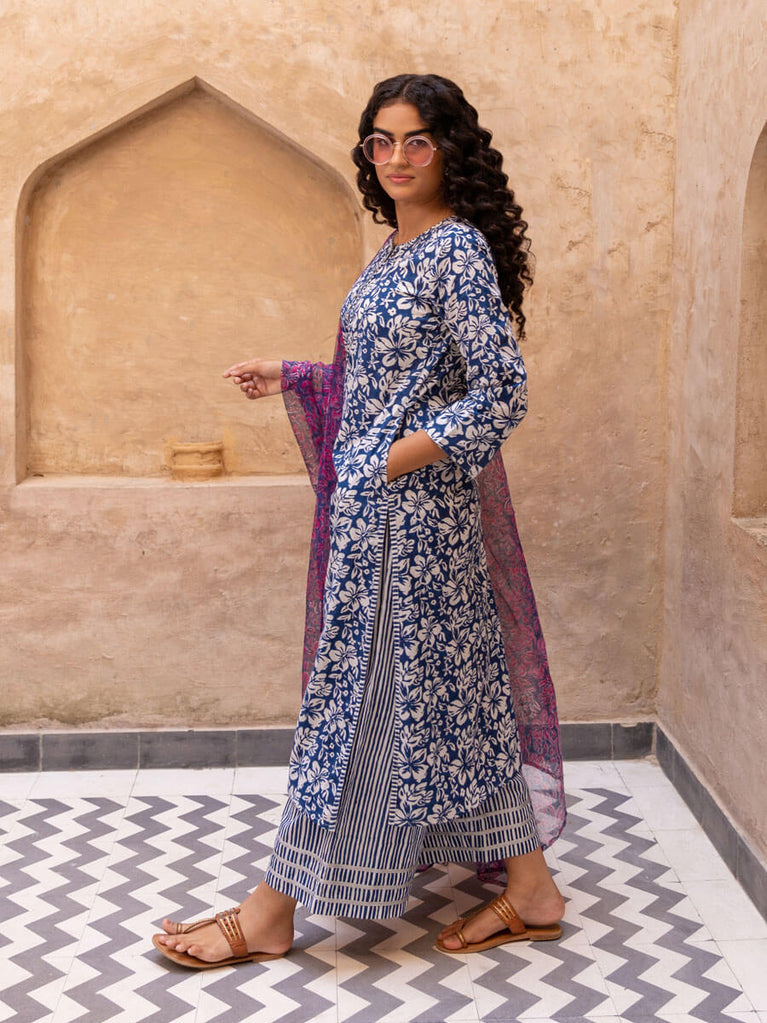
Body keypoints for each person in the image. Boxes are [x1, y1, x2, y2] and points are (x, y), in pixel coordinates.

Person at [153, 73, 565, 968]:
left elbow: (500, 391)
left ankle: (272, 908)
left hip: (411, 528)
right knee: (459, 696)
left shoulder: (454, 249)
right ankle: (531, 886)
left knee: (348, 708)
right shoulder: (392, 251)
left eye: (417, 140)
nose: (396, 158)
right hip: (383, 521)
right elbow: (389, 381)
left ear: (450, 149)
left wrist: (387, 460)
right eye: (381, 141)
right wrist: (298, 374)